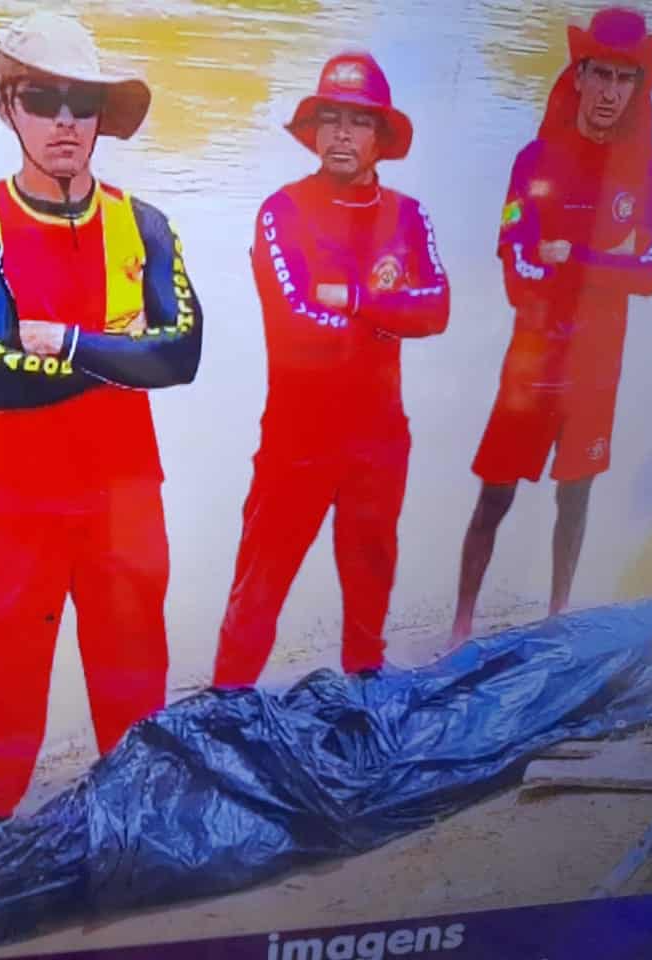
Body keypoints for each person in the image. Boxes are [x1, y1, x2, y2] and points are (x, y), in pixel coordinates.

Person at [0, 12, 203, 867]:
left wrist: (71, 342)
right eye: (41, 100)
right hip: (18, 493)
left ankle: (139, 789)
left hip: (126, 489)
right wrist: (126, 356)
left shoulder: (144, 224)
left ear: (98, 117)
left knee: (133, 650)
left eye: (80, 104)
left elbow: (185, 357)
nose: (63, 121)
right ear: (6, 107)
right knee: (3, 648)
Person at [212, 51, 449, 687]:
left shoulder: (408, 216)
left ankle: (363, 701)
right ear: (313, 131)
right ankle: (226, 702)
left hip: (380, 438)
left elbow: (438, 309)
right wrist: (388, 316)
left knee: (369, 590)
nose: (342, 134)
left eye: (359, 121)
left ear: (380, 136)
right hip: (297, 440)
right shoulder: (282, 211)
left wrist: (353, 299)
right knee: (258, 590)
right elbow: (296, 323)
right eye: (331, 119)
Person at [452, 7, 652, 643]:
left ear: (637, 87)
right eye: (601, 74)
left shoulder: (651, 169)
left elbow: (649, 274)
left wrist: (570, 258)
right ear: (578, 75)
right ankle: (459, 628)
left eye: (625, 79)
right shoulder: (534, 159)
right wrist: (605, 262)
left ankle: (556, 622)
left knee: (576, 496)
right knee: (495, 496)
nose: (610, 93)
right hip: (534, 360)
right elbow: (516, 265)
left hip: (597, 366)